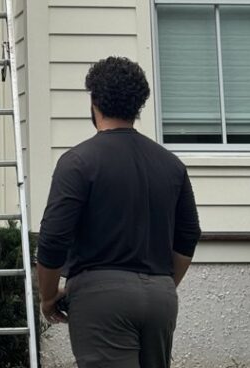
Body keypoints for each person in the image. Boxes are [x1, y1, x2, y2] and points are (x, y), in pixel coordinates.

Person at [37, 56, 201, 368]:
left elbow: (53, 238)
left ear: (94, 101)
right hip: (160, 295)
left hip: (100, 298)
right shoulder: (171, 165)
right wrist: (163, 284)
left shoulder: (78, 162)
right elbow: (188, 235)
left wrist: (47, 297)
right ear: (138, 105)